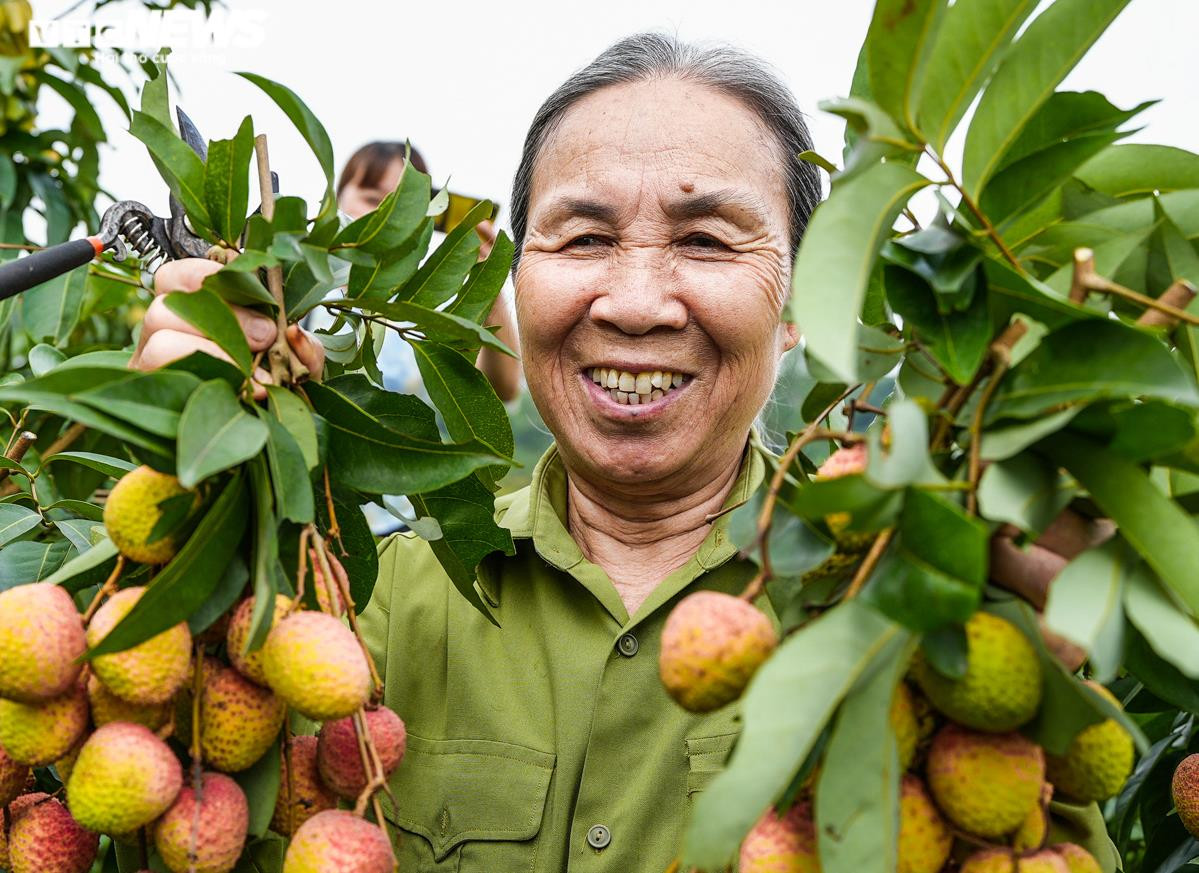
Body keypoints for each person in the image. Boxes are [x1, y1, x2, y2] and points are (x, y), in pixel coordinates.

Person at [131, 33, 1116, 873]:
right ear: (515, 283)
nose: (636, 302)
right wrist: (198, 502)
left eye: (706, 240)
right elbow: (193, 815)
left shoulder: (909, 602)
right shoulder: (366, 595)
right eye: (582, 238)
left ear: (797, 311)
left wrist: (1039, 648)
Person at [335, 140, 522, 403]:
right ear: (338, 197)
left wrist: (486, 281)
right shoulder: (298, 280)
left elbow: (503, 388)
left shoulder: (425, 307)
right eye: (372, 199)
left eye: (403, 207)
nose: (385, 217)